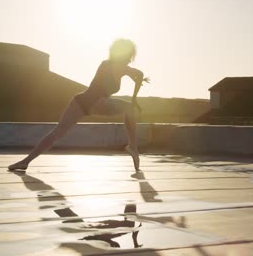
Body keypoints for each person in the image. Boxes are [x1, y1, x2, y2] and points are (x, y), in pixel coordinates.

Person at [8, 39, 148, 172]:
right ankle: (133, 147)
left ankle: (26, 161)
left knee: (57, 133)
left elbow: (138, 75)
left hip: (80, 101)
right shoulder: (120, 67)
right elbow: (140, 74)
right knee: (130, 109)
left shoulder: (110, 65)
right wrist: (135, 98)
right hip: (97, 102)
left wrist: (135, 92)